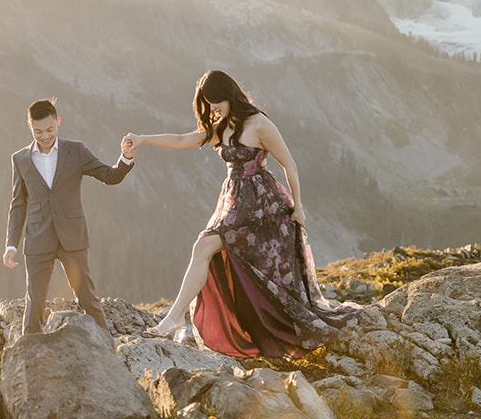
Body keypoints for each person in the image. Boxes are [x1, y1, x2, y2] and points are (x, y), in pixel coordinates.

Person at [127, 70, 353, 359]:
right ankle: (176, 317)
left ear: (229, 94)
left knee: (204, 246)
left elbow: (289, 164)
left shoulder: (259, 124)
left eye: (215, 101)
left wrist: (299, 207)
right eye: (207, 104)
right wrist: (143, 138)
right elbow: (185, 139)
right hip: (233, 200)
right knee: (204, 248)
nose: (212, 108)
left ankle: (174, 317)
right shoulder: (224, 126)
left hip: (260, 203)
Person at [5, 98, 136, 337]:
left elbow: (109, 176)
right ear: (29, 125)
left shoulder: (76, 151)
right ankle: (29, 356)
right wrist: (11, 243)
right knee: (34, 302)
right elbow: (18, 204)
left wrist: (125, 158)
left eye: (50, 129)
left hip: (72, 237)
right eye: (38, 131)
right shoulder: (20, 159)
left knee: (86, 296)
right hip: (37, 238)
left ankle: (106, 349)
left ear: (58, 122)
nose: (45, 136)